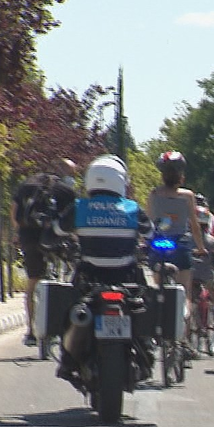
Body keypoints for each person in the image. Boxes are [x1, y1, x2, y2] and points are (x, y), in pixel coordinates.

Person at [58, 155, 155, 385]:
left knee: (69, 310)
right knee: (145, 304)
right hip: (127, 278)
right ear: (120, 180)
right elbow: (151, 233)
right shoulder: (132, 208)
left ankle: (67, 360)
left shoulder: (79, 207)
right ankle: (146, 346)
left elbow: (55, 231)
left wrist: (54, 241)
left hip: (89, 278)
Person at [11, 158, 78, 347]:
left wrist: (18, 232)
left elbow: (14, 210)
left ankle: (31, 332)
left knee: (32, 283)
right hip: (55, 240)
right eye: (73, 174)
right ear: (66, 173)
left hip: (29, 238)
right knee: (75, 274)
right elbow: (73, 219)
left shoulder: (27, 185)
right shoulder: (65, 190)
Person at [147, 151, 208, 353]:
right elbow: (194, 225)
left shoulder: (154, 194)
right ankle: (183, 335)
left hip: (158, 245)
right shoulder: (187, 196)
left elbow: (148, 221)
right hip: (180, 244)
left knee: (159, 287)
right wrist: (201, 248)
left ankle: (159, 322)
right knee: (185, 292)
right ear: (181, 175)